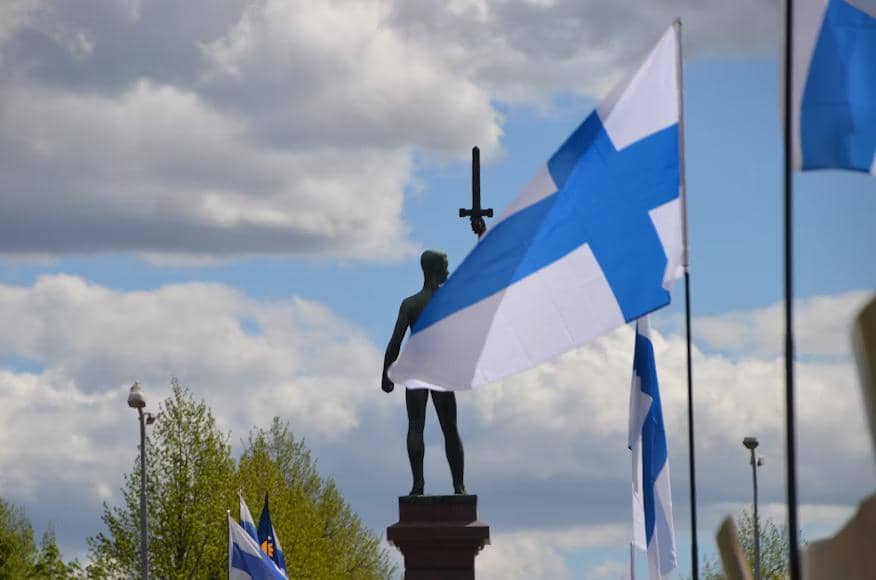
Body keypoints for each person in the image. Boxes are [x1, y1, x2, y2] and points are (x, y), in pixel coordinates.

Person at [382, 250, 466, 496]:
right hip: (439, 370)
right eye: (446, 265)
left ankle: (418, 485)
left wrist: (385, 374)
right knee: (449, 428)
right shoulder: (448, 299)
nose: (448, 270)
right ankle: (458, 486)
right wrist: (481, 234)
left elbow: (395, 342)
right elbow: (484, 275)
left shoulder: (410, 303)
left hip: (416, 369)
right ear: (435, 269)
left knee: (415, 426)